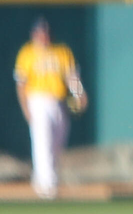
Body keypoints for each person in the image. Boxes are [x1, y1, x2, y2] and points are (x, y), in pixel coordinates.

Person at [13, 18, 86, 200]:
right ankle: (47, 185)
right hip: (37, 100)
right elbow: (21, 84)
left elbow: (71, 77)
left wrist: (79, 94)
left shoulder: (62, 51)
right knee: (42, 141)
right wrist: (25, 108)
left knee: (57, 144)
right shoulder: (27, 53)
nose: (43, 36)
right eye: (39, 33)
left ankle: (43, 179)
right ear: (34, 35)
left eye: (45, 33)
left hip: (59, 101)